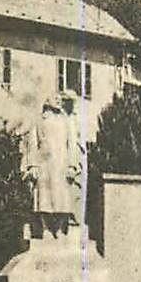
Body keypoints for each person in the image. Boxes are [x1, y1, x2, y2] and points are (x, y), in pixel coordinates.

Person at [26, 93, 86, 238]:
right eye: (55, 99)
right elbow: (32, 145)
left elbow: (72, 144)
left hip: (61, 164)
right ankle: (46, 229)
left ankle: (60, 229)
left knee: (62, 198)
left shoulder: (66, 121)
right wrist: (32, 165)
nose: (59, 101)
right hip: (44, 164)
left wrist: (72, 165)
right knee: (43, 198)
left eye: (60, 99)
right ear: (48, 102)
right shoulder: (38, 121)